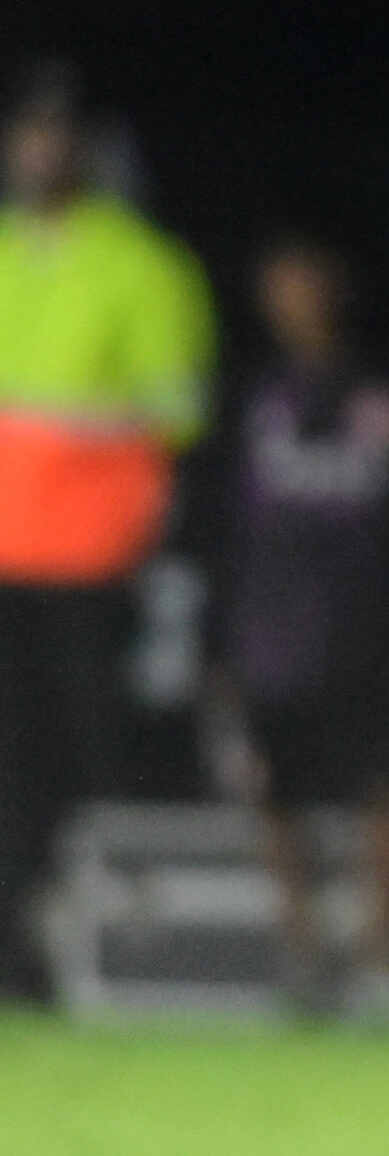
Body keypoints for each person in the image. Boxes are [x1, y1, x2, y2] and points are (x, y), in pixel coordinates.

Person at [0, 61, 214, 997]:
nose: (39, 149)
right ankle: (16, 955)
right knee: (10, 772)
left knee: (96, 761)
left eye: (57, 132)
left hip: (91, 564)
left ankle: (115, 957)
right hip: (6, 561)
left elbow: (178, 417)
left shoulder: (144, 266)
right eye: (28, 129)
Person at [206, 235, 389, 1018]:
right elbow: (220, 518)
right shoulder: (249, 393)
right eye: (279, 282)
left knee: (387, 785)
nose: (294, 297)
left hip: (371, 627)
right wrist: (218, 635)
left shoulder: (387, 387)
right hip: (272, 633)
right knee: (278, 787)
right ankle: (300, 953)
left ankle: (380, 955)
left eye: (307, 279)